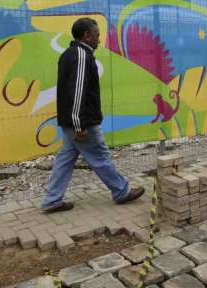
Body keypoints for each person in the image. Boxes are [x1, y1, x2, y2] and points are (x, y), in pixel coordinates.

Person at [42, 18, 145, 213]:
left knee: (65, 159)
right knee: (100, 157)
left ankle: (51, 200)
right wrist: (79, 124)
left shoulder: (69, 54)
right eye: (97, 35)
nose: (99, 39)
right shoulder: (81, 55)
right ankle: (121, 191)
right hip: (81, 122)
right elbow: (77, 91)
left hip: (72, 120)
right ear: (87, 36)